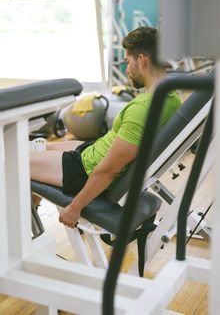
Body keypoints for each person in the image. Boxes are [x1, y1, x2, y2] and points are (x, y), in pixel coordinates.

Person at [30, 26, 181, 228]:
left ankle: (24, 229)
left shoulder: (143, 108)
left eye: (128, 62)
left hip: (84, 169)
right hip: (92, 151)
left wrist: (75, 207)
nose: (127, 69)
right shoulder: (172, 98)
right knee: (37, 147)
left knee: (14, 162)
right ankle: (31, 223)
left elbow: (109, 170)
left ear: (142, 60)